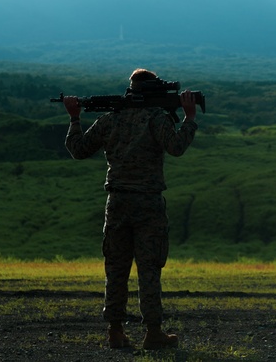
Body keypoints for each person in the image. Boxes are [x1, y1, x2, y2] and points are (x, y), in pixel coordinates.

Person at [62, 68, 198, 350]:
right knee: (149, 268)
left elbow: (78, 149)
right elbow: (176, 147)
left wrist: (74, 117)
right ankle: (153, 332)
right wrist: (189, 118)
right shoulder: (156, 119)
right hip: (148, 202)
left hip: (118, 202)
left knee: (116, 268)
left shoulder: (111, 119)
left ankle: (115, 331)